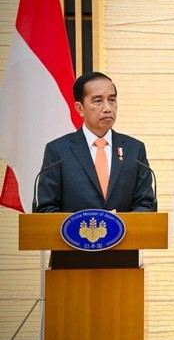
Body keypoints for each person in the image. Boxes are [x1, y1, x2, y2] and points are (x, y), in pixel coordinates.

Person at [35, 71, 156, 267]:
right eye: (98, 101)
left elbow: (146, 203)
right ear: (80, 108)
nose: (108, 108)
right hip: (71, 261)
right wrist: (87, 222)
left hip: (122, 261)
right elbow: (47, 208)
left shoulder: (134, 149)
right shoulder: (58, 151)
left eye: (112, 100)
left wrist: (119, 224)